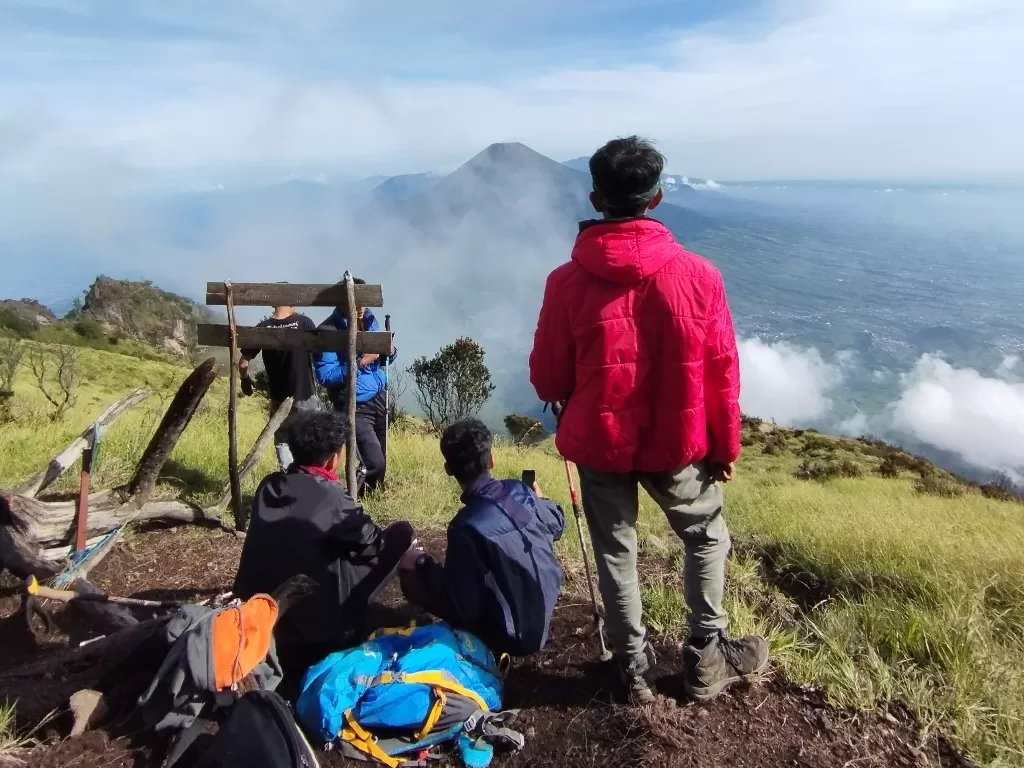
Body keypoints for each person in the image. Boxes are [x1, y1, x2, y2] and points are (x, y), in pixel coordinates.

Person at [528, 136, 768, 705]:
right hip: (678, 442)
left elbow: (547, 378)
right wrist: (724, 448)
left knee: (616, 550)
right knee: (706, 536)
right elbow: (722, 372)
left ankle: (632, 669)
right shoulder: (700, 276)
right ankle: (707, 657)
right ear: (657, 197)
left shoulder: (565, 282)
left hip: (599, 441)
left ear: (595, 197)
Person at [232, 409, 414, 674]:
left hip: (258, 616)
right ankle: (354, 620)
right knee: (401, 534)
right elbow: (374, 544)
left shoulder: (268, 485)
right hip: (314, 633)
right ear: (333, 458)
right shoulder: (331, 496)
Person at [398, 419, 566, 657]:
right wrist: (542, 501)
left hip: (512, 639)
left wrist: (421, 561)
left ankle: (467, 645)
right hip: (544, 613)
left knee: (412, 577)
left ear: (449, 469)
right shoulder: (521, 491)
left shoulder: (465, 526)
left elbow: (464, 606)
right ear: (491, 460)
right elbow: (558, 524)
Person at [314, 277, 397, 494]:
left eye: (364, 302)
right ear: (343, 301)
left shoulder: (370, 321)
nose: (360, 308)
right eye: (356, 302)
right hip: (354, 403)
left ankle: (372, 497)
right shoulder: (328, 331)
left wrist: (390, 352)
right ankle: (352, 501)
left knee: (381, 457)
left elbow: (380, 359)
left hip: (378, 396)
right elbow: (325, 375)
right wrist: (360, 362)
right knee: (373, 462)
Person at [239, 300, 320, 471]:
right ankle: (310, 480)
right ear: (290, 302)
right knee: (312, 438)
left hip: (278, 397)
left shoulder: (262, 327)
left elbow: (243, 363)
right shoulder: (304, 322)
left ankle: (290, 477)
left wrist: (245, 380)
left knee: (283, 439)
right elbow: (320, 352)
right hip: (304, 393)